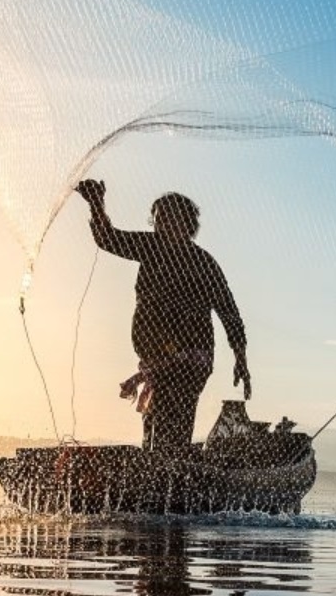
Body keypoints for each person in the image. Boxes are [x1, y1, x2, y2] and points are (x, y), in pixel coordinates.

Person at [75, 178, 249, 452]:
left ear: (188, 224)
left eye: (170, 218)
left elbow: (229, 311)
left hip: (190, 360)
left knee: (171, 427)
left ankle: (171, 477)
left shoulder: (204, 263)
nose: (162, 224)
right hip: (156, 359)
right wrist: (96, 203)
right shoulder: (150, 247)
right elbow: (108, 239)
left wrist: (241, 359)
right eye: (158, 219)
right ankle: (158, 475)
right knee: (153, 426)